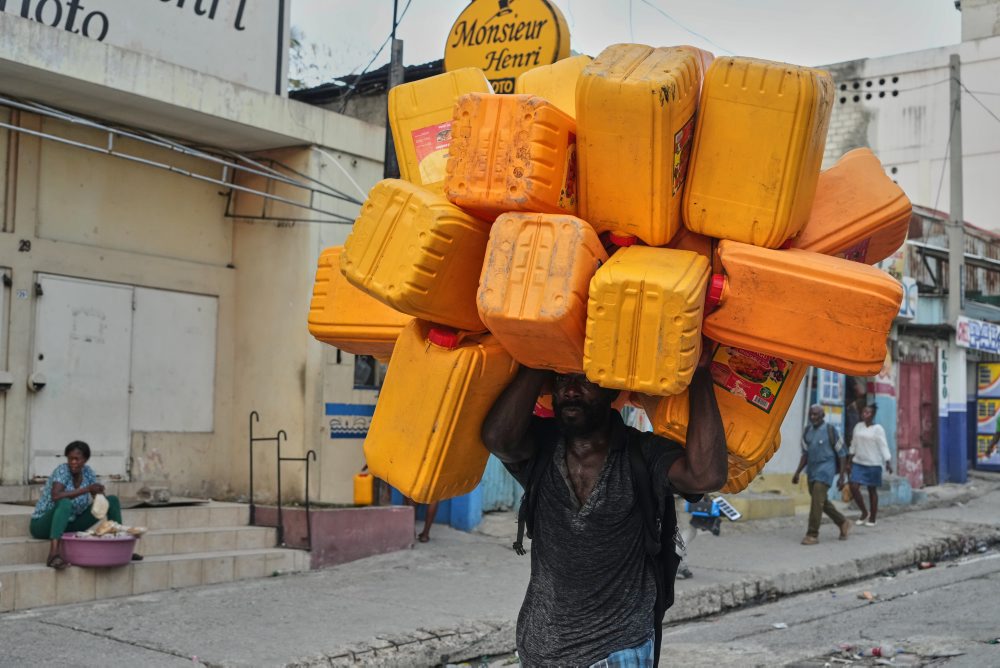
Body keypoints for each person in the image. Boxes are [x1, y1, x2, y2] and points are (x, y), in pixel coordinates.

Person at [481, 353, 727, 666]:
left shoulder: (642, 454)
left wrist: (702, 375)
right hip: (540, 650)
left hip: (617, 650)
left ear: (612, 390)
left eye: (585, 380)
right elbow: (497, 439)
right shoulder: (539, 447)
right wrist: (538, 353)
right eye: (562, 380)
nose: (570, 390)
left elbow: (706, 475)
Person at [30, 441, 139, 569]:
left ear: (85, 460)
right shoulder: (62, 470)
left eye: (77, 459)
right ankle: (53, 555)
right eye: (70, 458)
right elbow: (56, 496)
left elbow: (97, 498)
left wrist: (99, 493)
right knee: (65, 503)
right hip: (43, 525)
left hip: (70, 524)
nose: (73, 462)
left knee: (112, 500)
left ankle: (121, 550)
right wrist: (87, 489)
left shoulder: (88, 473)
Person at [792, 405, 851, 545]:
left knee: (816, 501)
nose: (813, 417)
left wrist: (842, 477)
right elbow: (805, 454)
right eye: (811, 414)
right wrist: (797, 472)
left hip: (826, 470)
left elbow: (842, 454)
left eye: (816, 415)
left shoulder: (831, 431)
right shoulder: (807, 431)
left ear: (823, 415)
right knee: (821, 501)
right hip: (811, 471)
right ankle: (843, 522)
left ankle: (812, 534)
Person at [848, 405, 892, 527]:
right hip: (859, 462)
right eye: (863, 411)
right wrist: (849, 461)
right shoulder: (858, 426)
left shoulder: (878, 429)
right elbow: (853, 444)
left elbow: (883, 445)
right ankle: (864, 512)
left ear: (872, 415)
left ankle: (872, 517)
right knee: (853, 486)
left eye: (868, 412)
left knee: (872, 490)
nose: (865, 414)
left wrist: (888, 461)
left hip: (873, 463)